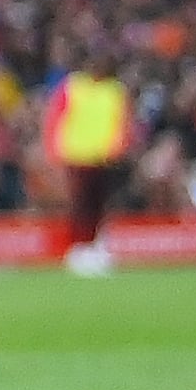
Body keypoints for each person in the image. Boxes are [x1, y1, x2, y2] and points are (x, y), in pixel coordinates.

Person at [42, 66, 132, 277]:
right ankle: (79, 248)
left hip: (103, 156)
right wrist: (54, 149)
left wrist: (118, 146)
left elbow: (121, 121)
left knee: (100, 204)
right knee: (81, 205)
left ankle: (96, 247)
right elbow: (56, 117)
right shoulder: (73, 87)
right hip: (77, 154)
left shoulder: (114, 90)